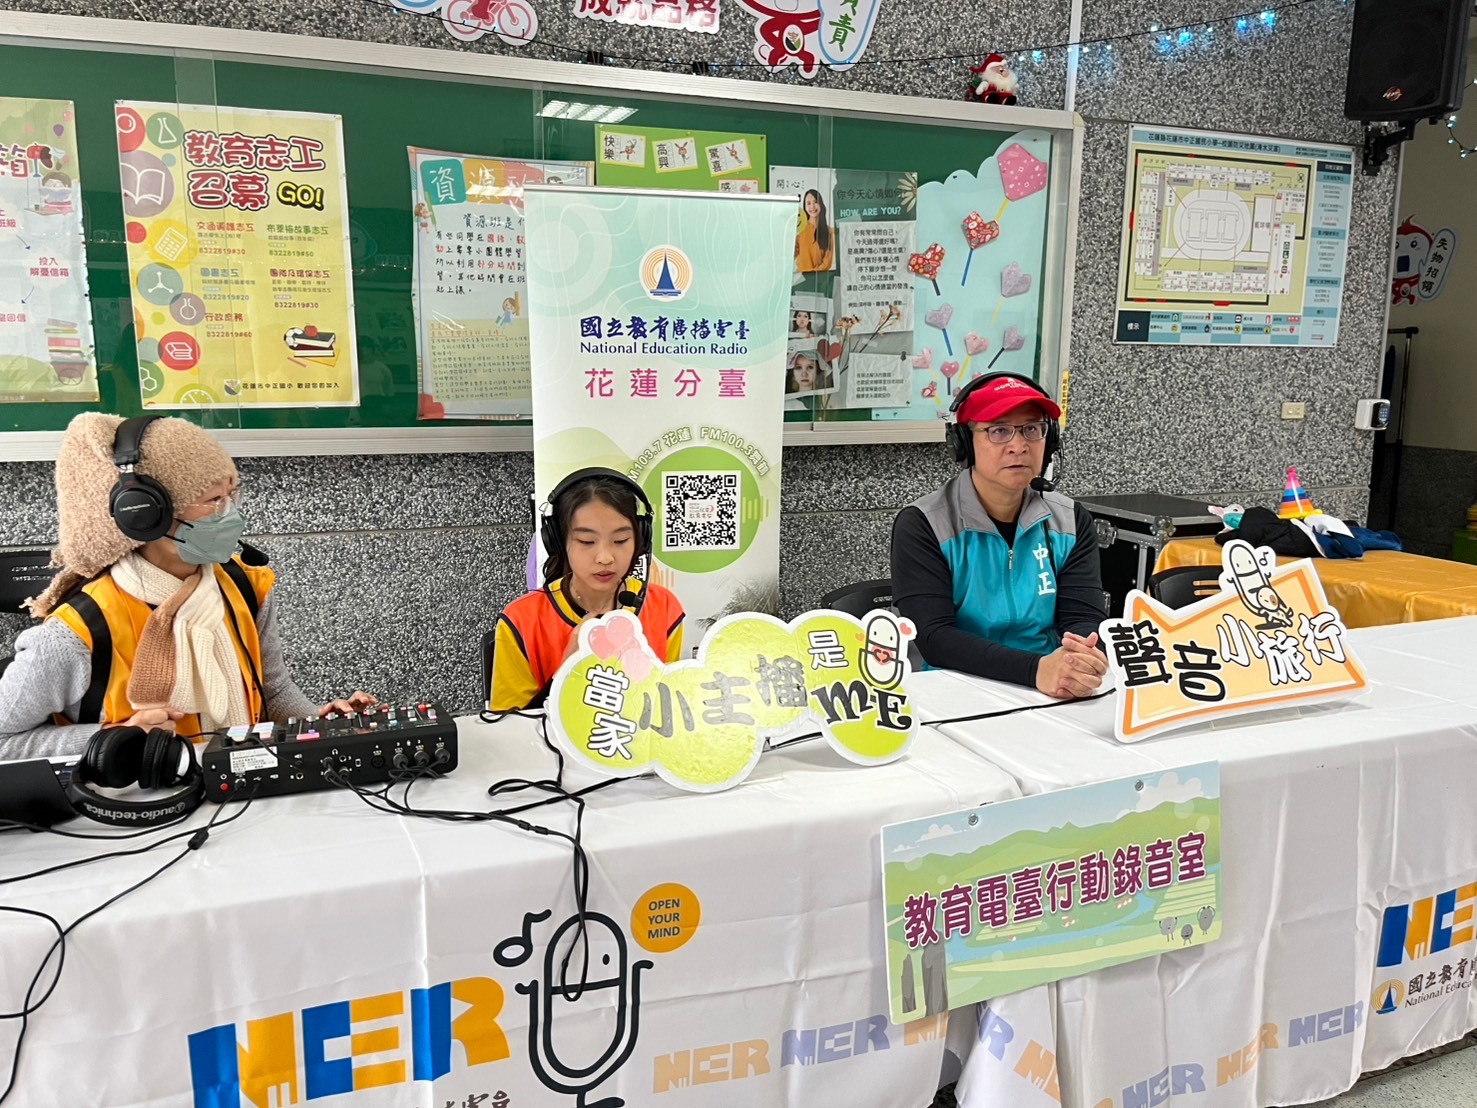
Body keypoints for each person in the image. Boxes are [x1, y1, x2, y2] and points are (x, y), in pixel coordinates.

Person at [0, 414, 376, 759]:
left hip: (240, 788)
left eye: (232, 494)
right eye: (213, 500)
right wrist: (112, 739)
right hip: (133, 804)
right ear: (146, 513)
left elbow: (273, 692)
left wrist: (318, 725)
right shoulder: (74, 634)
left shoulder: (245, 586)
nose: (231, 513)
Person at [890, 373, 1108, 698]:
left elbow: (1083, 617)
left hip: (1048, 686)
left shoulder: (1070, 520)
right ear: (964, 443)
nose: (1018, 446)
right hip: (953, 688)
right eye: (999, 431)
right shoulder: (925, 523)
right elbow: (934, 637)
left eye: (1031, 429)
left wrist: (1081, 658)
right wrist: (1035, 670)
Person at [490, 468, 685, 712]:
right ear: (558, 541)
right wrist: (569, 669)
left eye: (621, 540)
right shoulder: (521, 621)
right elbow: (509, 727)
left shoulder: (663, 608)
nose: (605, 558)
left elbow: (670, 712)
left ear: (640, 541)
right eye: (587, 542)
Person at [795, 188, 834, 273]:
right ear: (805, 207)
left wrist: (812, 275)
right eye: (808, 203)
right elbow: (792, 254)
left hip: (819, 277)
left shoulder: (830, 232)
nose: (812, 207)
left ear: (821, 204)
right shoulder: (799, 229)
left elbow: (827, 262)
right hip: (801, 277)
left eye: (815, 202)